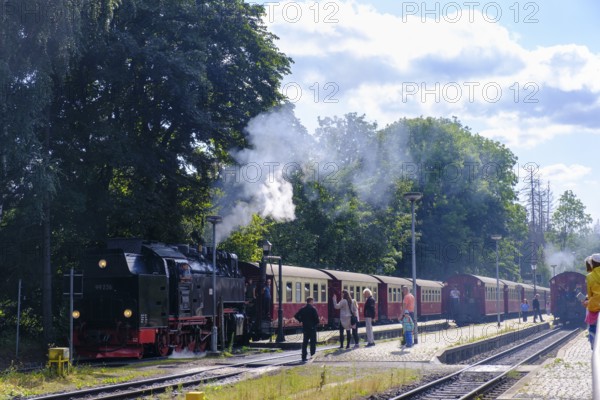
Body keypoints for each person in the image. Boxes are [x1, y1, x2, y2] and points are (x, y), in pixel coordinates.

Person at [294, 297, 320, 362]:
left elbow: (296, 316)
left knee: (305, 342)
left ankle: (303, 356)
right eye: (312, 301)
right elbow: (317, 319)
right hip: (312, 328)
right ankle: (312, 355)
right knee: (312, 343)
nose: (313, 302)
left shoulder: (303, 309)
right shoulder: (313, 309)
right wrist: (316, 324)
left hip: (305, 327)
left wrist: (301, 320)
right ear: (311, 301)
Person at [585, 254, 600, 349]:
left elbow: (589, 294)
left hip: (595, 305)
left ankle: (593, 344)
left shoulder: (589, 276)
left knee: (592, 326)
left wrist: (589, 301)